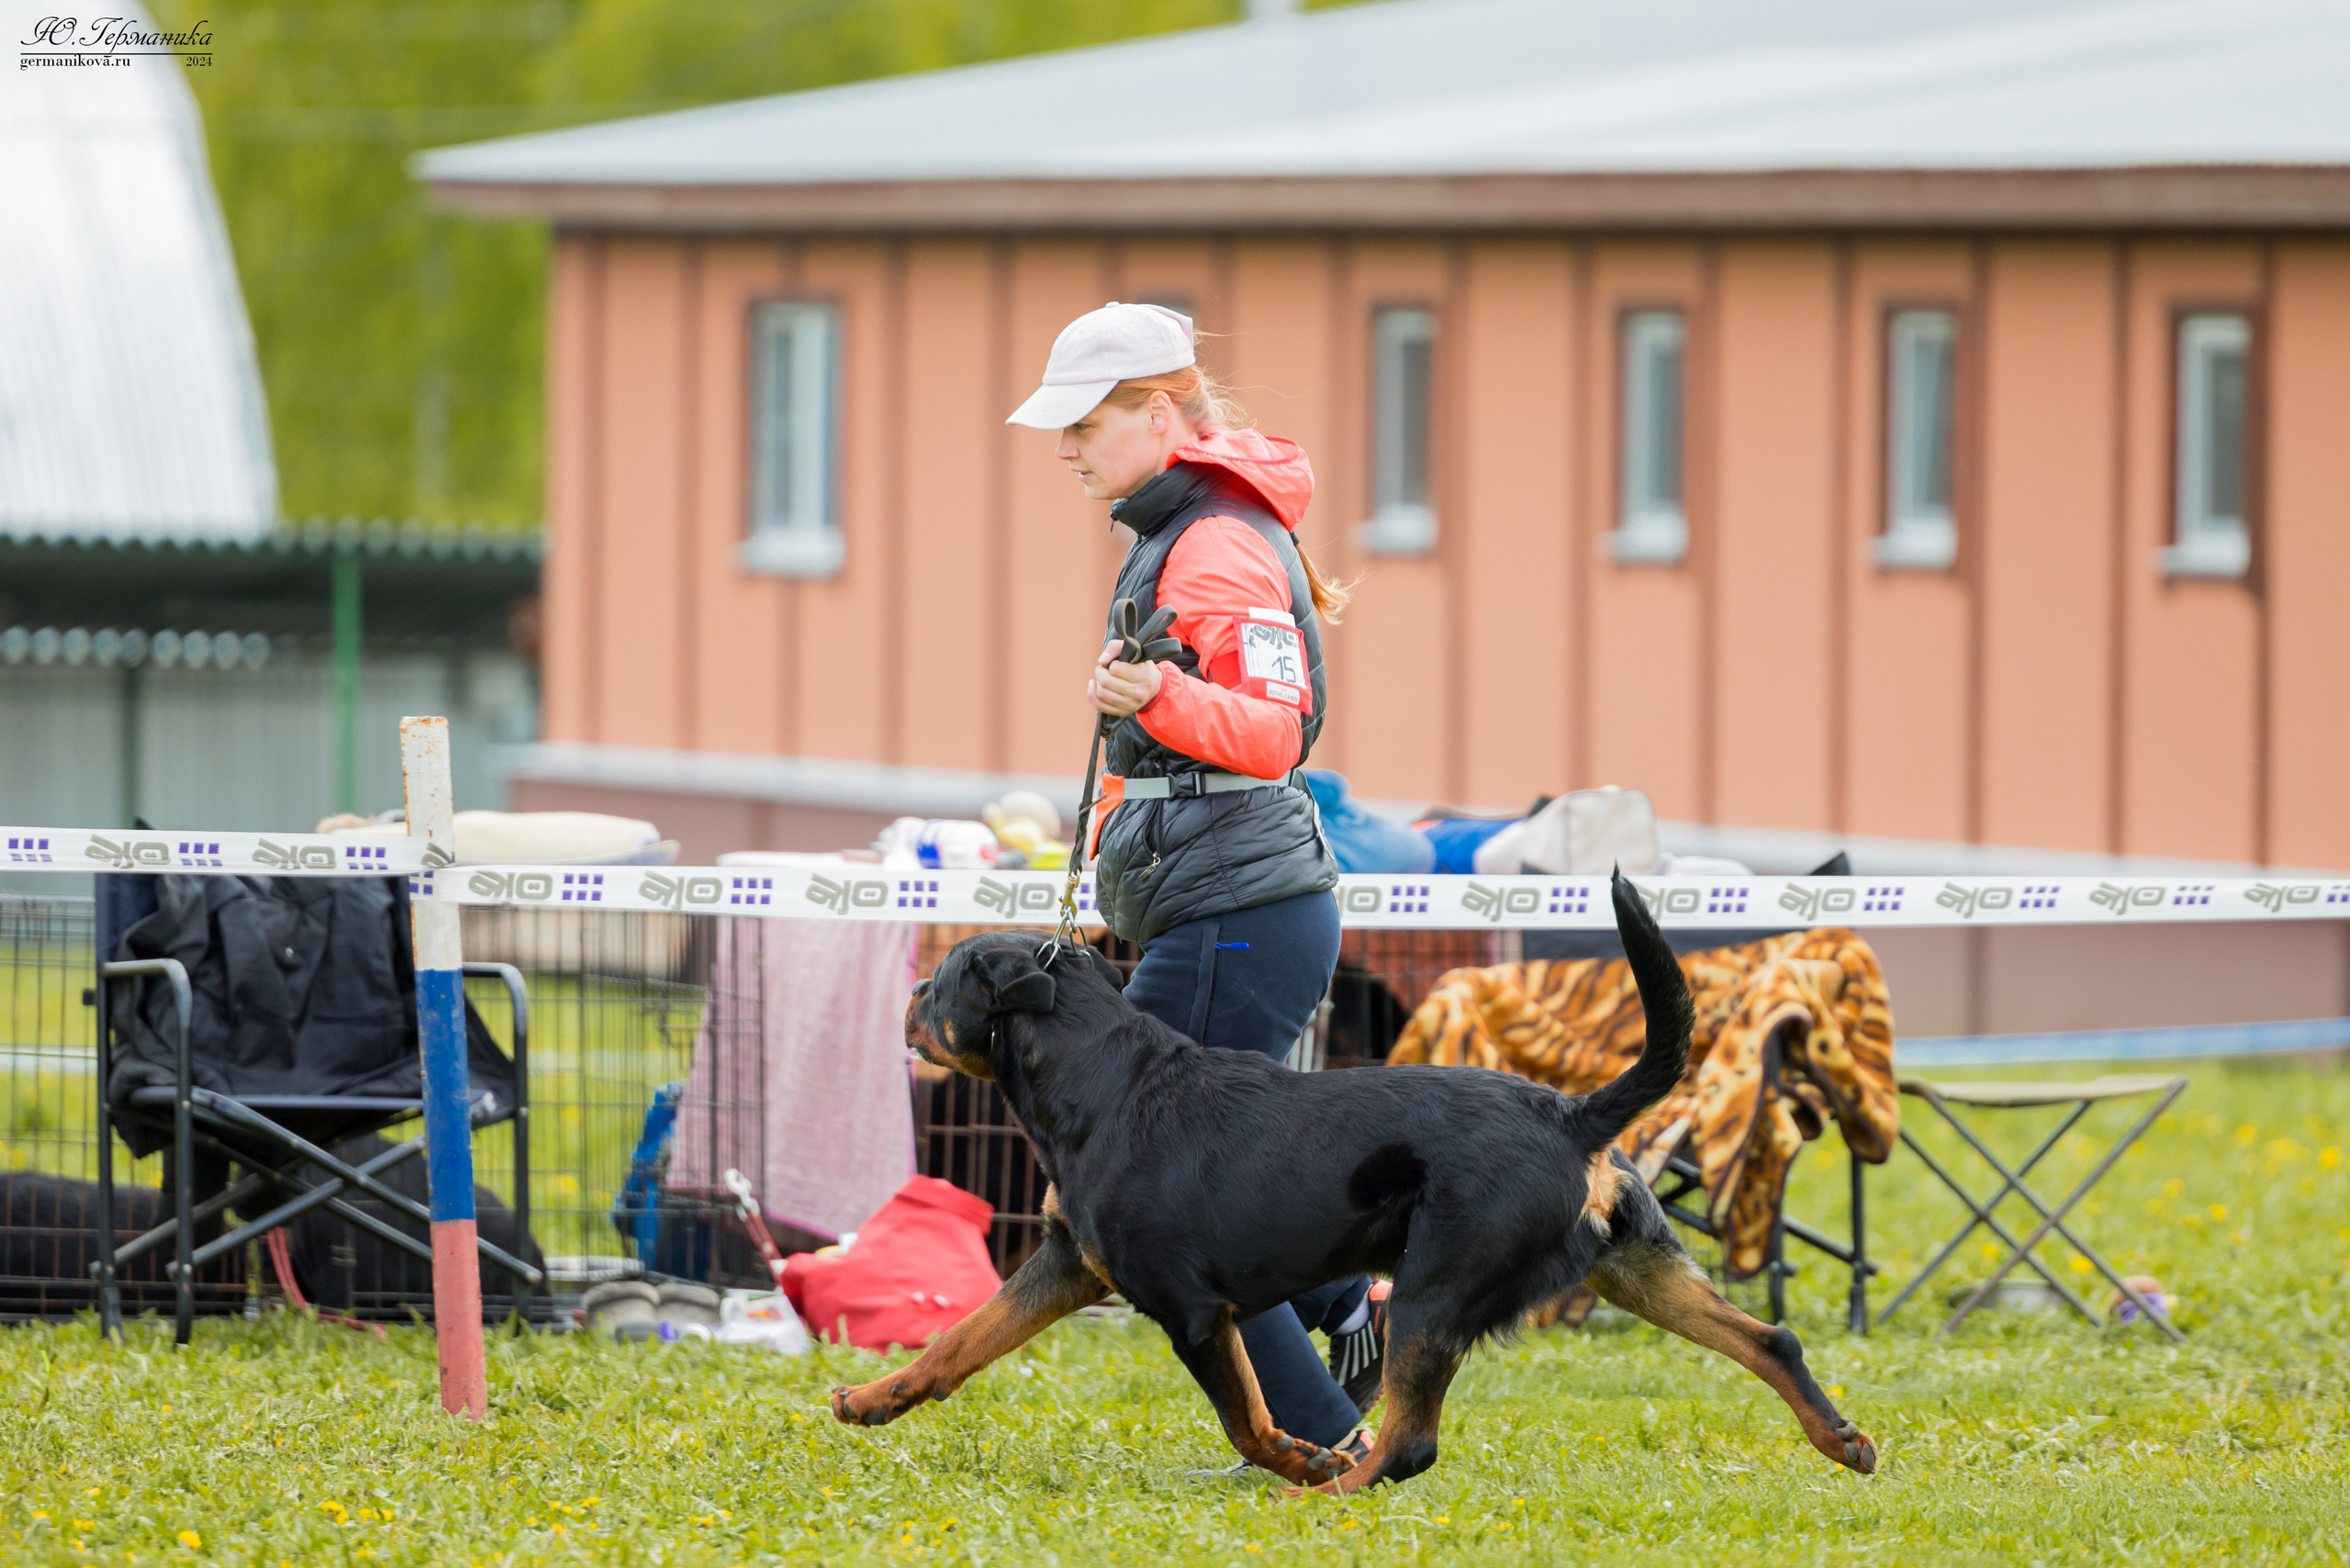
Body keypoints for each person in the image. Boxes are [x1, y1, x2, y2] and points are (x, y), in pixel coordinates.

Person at [1006, 301, 1385, 1463]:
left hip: (1242, 917)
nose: (1065, 448)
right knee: (1185, 1185)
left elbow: (1275, 734)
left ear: (1160, 413)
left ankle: (1320, 1444)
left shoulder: (1215, 539)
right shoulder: (1179, 529)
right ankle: (1344, 1308)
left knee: (1158, 1195)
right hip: (1224, 909)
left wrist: (1149, 700)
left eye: (1083, 423)